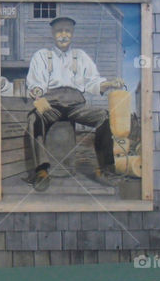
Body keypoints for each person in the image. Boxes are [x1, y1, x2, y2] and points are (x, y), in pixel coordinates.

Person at [25, 16, 124, 191]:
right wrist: (38, 95)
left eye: (67, 31)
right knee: (34, 118)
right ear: (52, 33)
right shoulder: (42, 56)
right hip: (52, 103)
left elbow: (92, 82)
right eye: (59, 31)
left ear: (72, 34)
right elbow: (35, 83)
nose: (63, 35)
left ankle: (105, 169)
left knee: (103, 117)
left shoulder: (81, 57)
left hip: (75, 105)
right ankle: (41, 171)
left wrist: (108, 83)